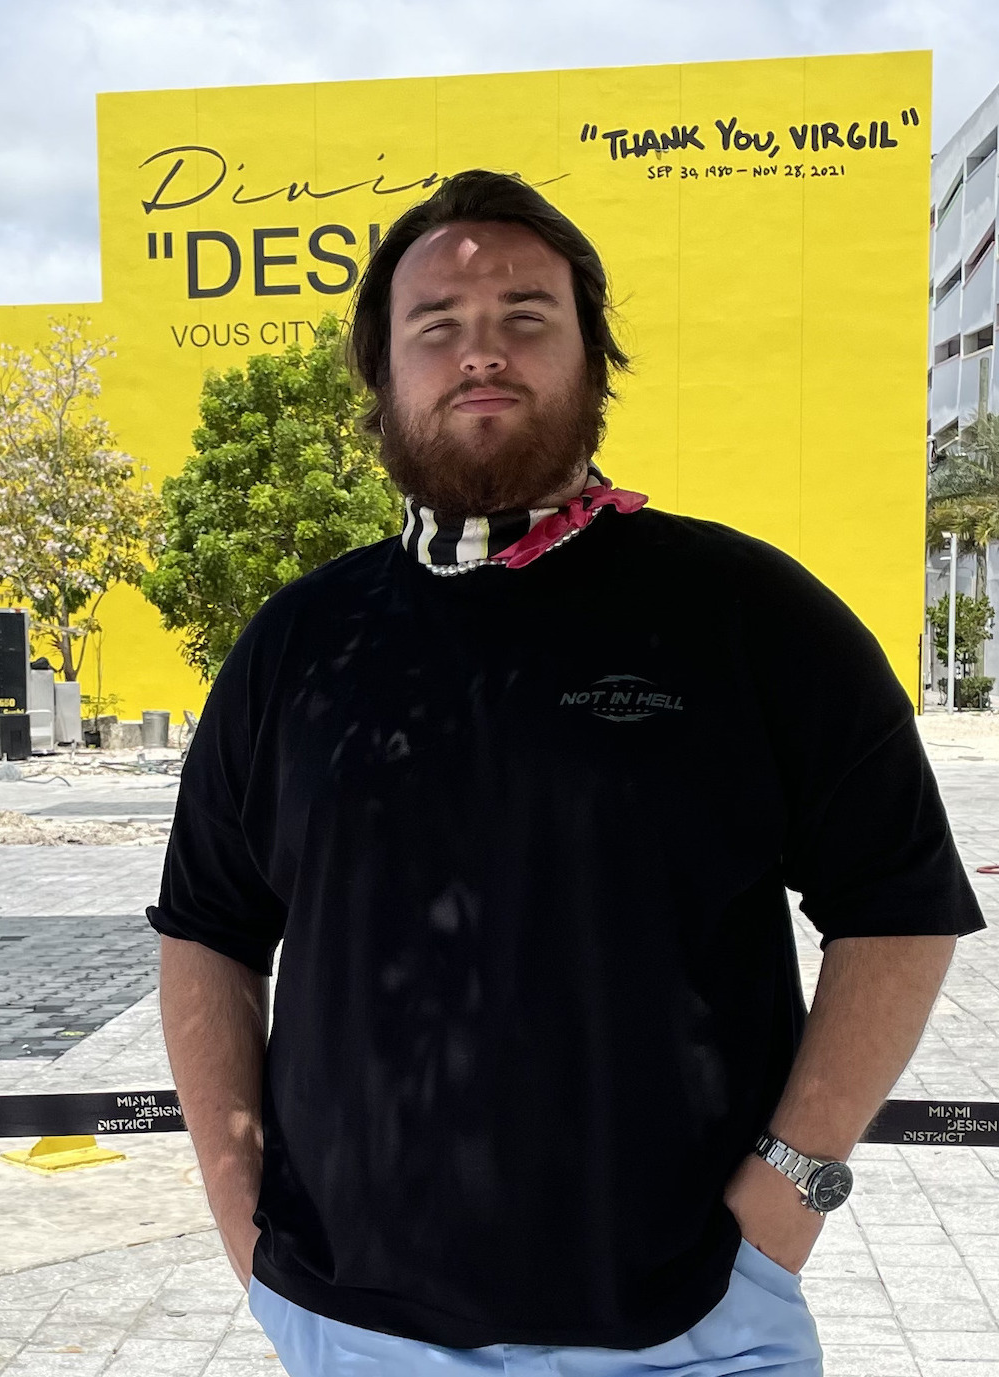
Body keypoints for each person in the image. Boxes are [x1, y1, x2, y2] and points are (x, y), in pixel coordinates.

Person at [149, 169, 985, 1377]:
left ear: (595, 356)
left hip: (688, 1328)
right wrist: (242, 1213)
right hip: (350, 1331)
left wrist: (788, 1196)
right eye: (436, 326)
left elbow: (901, 910)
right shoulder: (297, 644)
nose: (480, 353)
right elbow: (208, 929)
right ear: (380, 378)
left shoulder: (749, 615)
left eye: (525, 318)